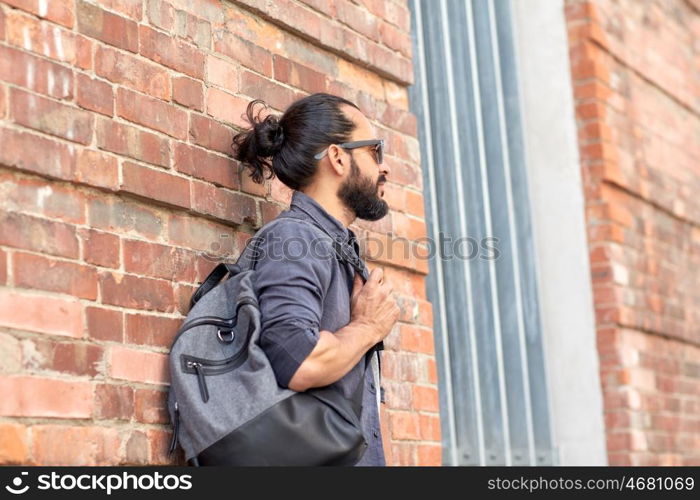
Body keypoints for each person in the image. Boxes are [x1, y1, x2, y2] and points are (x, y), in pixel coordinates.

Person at [232, 93, 400, 466]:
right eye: (375, 151)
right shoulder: (295, 239)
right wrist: (370, 325)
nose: (384, 168)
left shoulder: (332, 246)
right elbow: (298, 361)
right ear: (339, 158)